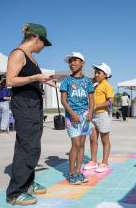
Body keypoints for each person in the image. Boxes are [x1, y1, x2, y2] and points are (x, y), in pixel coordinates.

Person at [6, 23, 54, 206]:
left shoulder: (31, 58)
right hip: (24, 105)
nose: (44, 47)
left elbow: (28, 79)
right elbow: (10, 80)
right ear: (37, 39)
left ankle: (27, 182)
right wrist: (35, 78)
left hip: (33, 105)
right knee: (27, 146)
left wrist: (43, 80)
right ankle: (15, 192)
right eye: (44, 44)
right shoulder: (18, 53)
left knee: (33, 145)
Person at [60, 52, 94, 184]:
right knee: (76, 144)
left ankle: (78, 172)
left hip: (85, 117)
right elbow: (63, 100)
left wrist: (90, 113)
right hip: (71, 117)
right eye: (70, 61)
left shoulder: (88, 81)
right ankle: (71, 173)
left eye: (75, 60)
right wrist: (72, 113)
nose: (72, 63)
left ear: (82, 63)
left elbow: (91, 99)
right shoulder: (66, 81)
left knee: (82, 145)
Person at [84, 63, 114, 173]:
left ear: (106, 75)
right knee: (92, 139)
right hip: (93, 115)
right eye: (95, 72)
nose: (96, 74)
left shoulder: (107, 85)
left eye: (99, 73)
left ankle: (104, 162)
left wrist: (96, 106)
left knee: (104, 139)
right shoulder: (96, 85)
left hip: (103, 115)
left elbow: (110, 102)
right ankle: (93, 161)